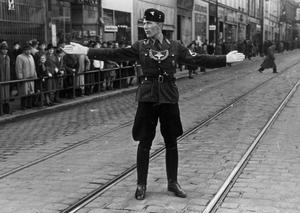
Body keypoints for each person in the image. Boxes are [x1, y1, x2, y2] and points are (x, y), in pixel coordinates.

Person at [63, 8, 245, 200]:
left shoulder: (175, 46)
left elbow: (198, 59)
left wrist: (225, 59)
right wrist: (87, 51)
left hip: (168, 96)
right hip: (148, 97)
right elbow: (115, 53)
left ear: (160, 25)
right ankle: (141, 184)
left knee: (171, 141)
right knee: (144, 141)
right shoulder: (140, 46)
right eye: (144, 23)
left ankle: (173, 183)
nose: (145, 27)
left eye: (149, 24)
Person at [0, 43, 12, 114]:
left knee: (6, 95)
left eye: (6, 49)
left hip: (7, 79)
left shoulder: (8, 57)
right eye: (4, 49)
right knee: (1, 94)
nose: (5, 51)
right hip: (1, 79)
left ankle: (6, 110)